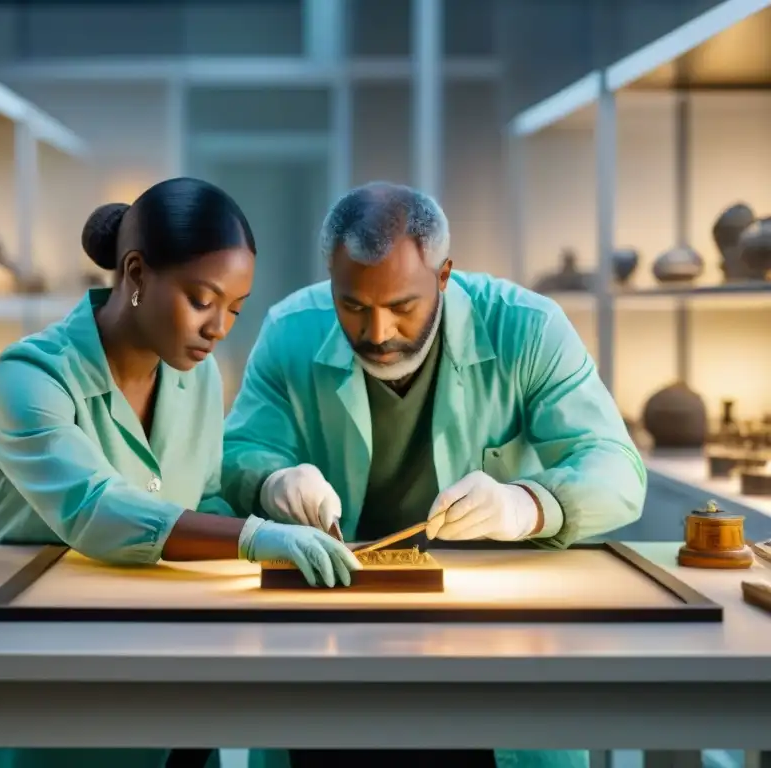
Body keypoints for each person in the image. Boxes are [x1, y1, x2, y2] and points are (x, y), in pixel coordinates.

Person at [221, 181, 646, 768]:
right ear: (331, 278)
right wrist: (272, 480)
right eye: (352, 305)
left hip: (489, 643)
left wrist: (528, 505)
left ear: (444, 275)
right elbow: (238, 452)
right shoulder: (289, 329)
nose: (377, 332)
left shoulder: (526, 327)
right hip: (331, 636)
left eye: (401, 307)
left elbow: (618, 468)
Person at [0, 177, 359, 768]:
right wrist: (253, 539)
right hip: (44, 676)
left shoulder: (196, 377)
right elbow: (94, 509)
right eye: (202, 300)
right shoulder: (30, 377)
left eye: (235, 309)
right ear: (137, 273)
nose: (220, 327)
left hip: (171, 668)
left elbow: (206, 492)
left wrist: (276, 504)